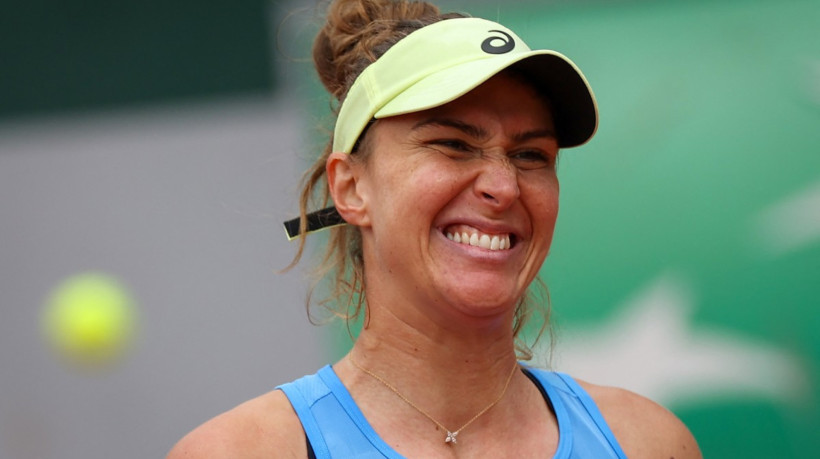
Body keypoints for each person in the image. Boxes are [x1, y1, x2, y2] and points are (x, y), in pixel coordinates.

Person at [168, 0, 702, 457]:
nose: (504, 187)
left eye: (531, 155)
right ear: (350, 187)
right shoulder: (241, 450)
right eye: (453, 144)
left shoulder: (647, 442)